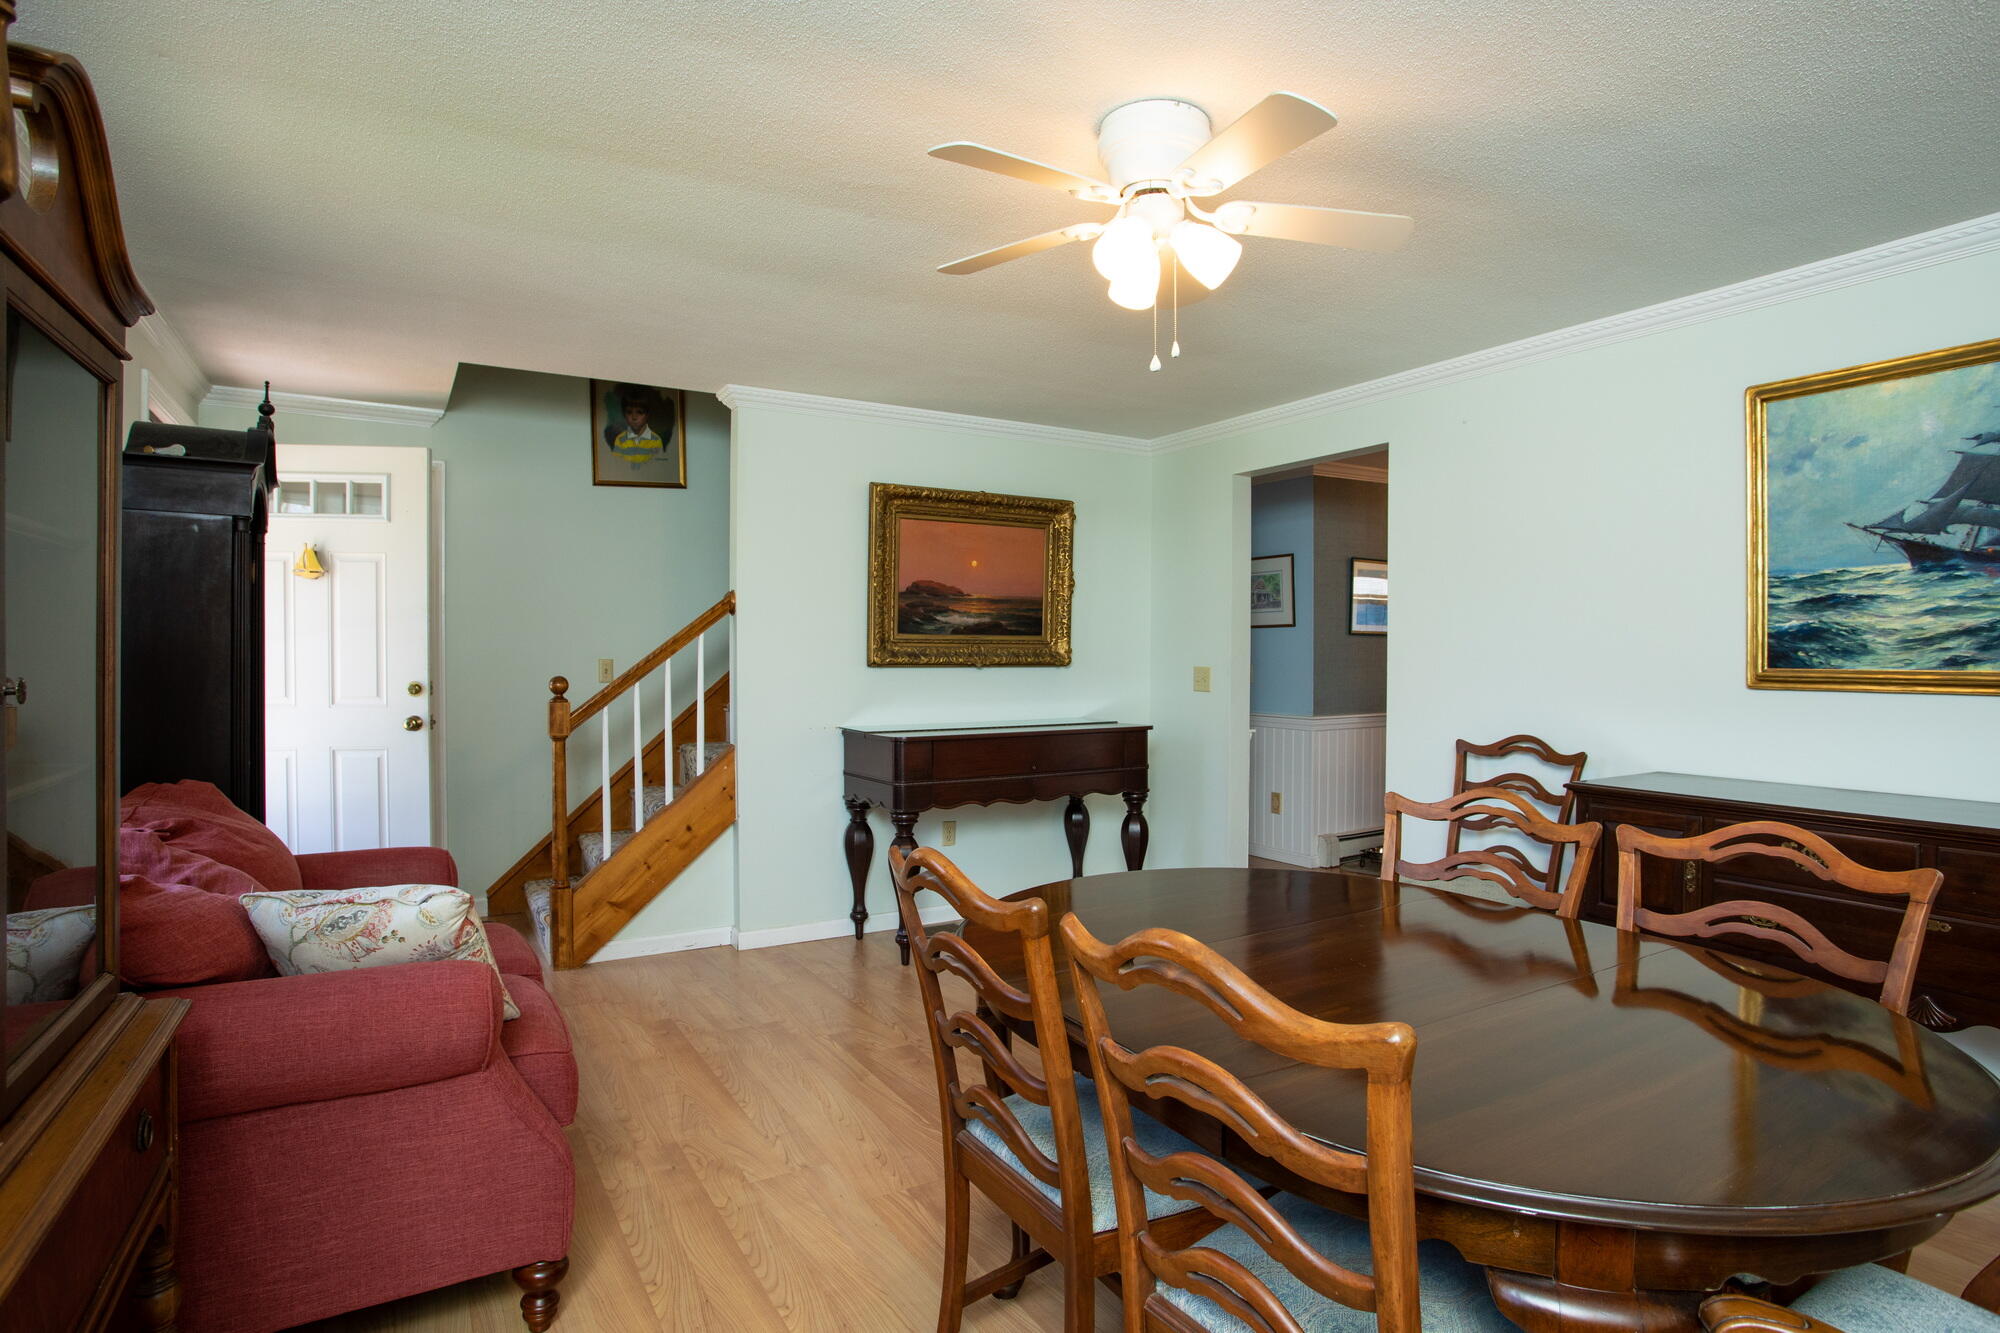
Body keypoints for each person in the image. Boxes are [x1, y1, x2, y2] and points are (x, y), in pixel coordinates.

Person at [603, 385, 674, 466]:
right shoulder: (620, 440)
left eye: (640, 412)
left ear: (647, 415)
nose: (634, 417)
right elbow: (618, 465)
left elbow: (657, 466)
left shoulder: (656, 441)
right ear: (624, 414)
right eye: (629, 412)